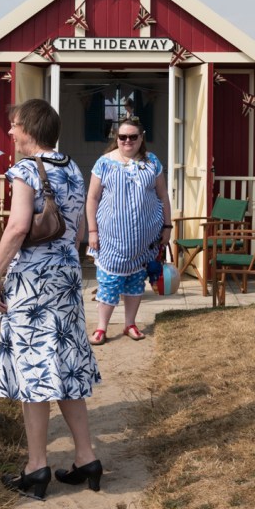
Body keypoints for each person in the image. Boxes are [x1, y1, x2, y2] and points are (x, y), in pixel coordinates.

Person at [0, 99, 101, 499]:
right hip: (66, 276)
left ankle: (37, 466)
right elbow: (79, 227)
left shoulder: (24, 170)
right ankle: (86, 456)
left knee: (34, 368)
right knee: (66, 364)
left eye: (15, 125)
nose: (11, 132)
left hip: (34, 280)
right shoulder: (72, 166)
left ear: (31, 128)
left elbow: (18, 226)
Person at [85, 116, 172, 344]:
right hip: (111, 241)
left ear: (141, 138)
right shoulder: (104, 162)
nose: (127, 141)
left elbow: (163, 196)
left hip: (144, 241)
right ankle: (102, 328)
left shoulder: (152, 162)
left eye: (133, 136)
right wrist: (92, 231)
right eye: (122, 136)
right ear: (117, 138)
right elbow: (92, 198)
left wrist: (167, 226)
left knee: (135, 283)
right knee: (109, 284)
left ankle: (130, 324)